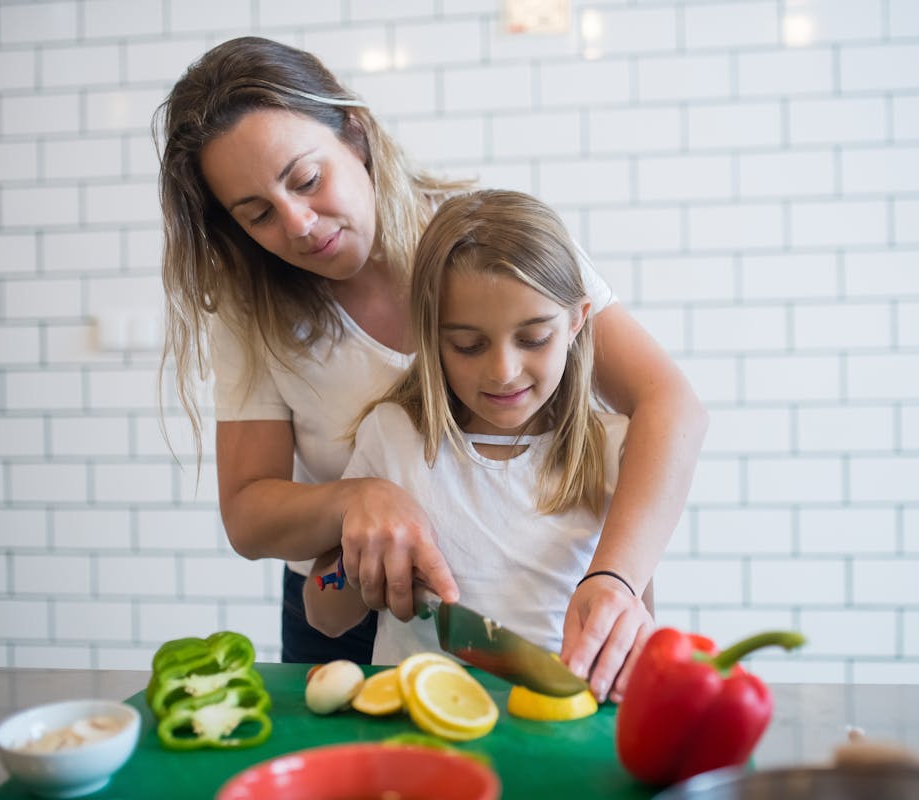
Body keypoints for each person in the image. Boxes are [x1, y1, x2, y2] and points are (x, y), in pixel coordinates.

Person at [156, 36, 706, 701]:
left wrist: (614, 580)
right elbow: (248, 515)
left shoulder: (490, 244)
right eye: (257, 214)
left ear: (355, 136)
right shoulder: (257, 314)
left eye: (306, 179)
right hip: (357, 623)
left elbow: (669, 405)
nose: (298, 224)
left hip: (557, 628)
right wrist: (358, 500)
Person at [304, 190, 635, 687]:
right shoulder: (393, 438)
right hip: (418, 726)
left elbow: (632, 624)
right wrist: (357, 572)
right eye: (468, 345)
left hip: (559, 726)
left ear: (576, 321)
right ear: (431, 337)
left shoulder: (615, 451)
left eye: (533, 339)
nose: (503, 371)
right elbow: (322, 609)